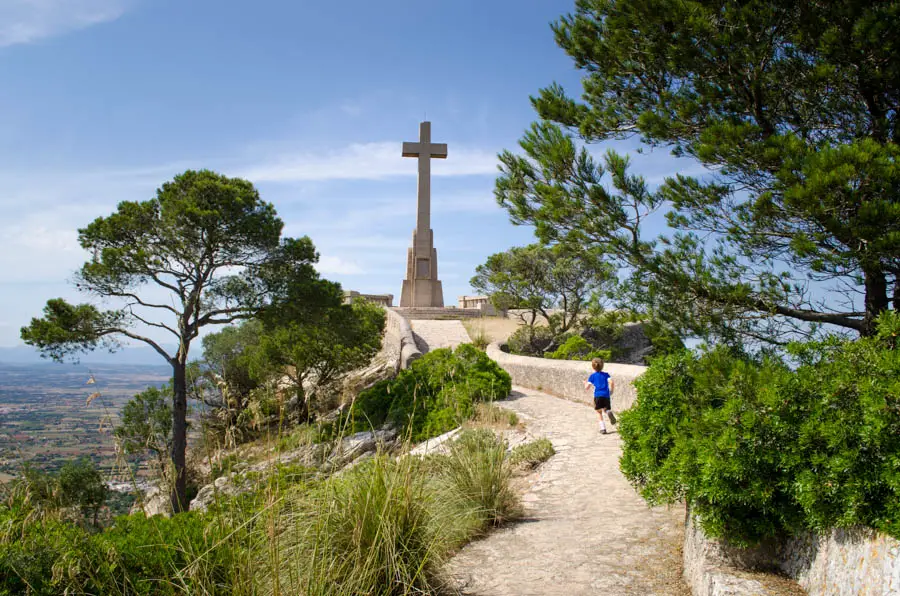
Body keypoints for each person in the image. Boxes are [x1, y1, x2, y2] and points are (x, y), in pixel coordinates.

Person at [584, 357, 616, 434]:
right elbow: (611, 382)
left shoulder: (592, 376)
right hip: (606, 395)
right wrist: (611, 391)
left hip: (597, 395)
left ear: (593, 366)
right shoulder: (606, 375)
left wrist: (585, 382)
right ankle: (608, 411)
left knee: (599, 412)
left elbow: (587, 388)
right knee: (606, 408)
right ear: (602, 366)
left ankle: (603, 428)